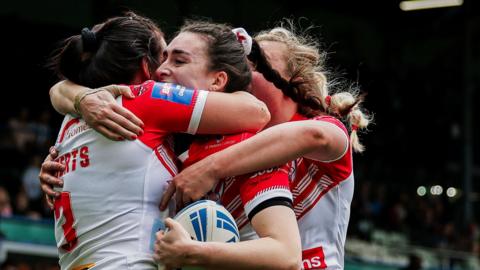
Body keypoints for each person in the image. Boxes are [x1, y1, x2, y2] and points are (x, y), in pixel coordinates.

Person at [42, 21, 303, 270]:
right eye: (162, 58)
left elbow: (287, 256)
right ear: (146, 67)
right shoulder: (142, 102)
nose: (161, 71)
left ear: (218, 79)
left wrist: (71, 93)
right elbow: (256, 111)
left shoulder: (70, 122)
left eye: (178, 60)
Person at [157, 25, 372, 270]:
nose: (244, 72)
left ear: (294, 81)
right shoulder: (225, 145)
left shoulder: (324, 127)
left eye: (257, 65)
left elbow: (315, 136)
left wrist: (210, 168)